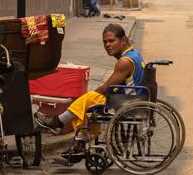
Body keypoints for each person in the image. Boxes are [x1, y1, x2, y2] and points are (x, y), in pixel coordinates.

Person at [34, 24, 144, 158]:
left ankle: (59, 122)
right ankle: (81, 142)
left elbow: (106, 87)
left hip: (127, 103)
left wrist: (90, 95)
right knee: (89, 106)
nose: (107, 45)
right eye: (105, 42)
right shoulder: (135, 54)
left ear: (123, 40)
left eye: (111, 41)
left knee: (90, 98)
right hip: (132, 98)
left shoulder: (125, 62)